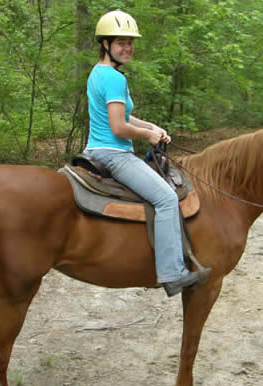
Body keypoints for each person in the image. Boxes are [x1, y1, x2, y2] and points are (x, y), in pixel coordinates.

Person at [83, 10, 210, 297]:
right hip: (114, 154)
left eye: (130, 42)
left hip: (94, 149)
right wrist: (148, 135)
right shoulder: (115, 79)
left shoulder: (99, 72)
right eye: (120, 43)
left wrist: (152, 126)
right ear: (105, 44)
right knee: (166, 199)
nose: (127, 48)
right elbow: (118, 127)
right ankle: (172, 272)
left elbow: (125, 116)